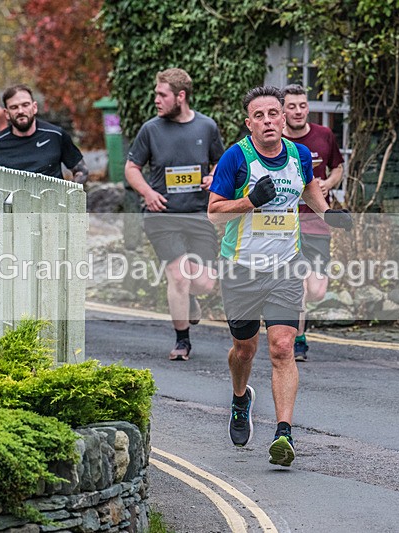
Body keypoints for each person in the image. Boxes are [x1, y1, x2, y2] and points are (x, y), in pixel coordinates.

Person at [208, 86, 352, 467]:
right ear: (249, 123)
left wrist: (329, 214)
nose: (269, 121)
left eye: (274, 113)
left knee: (282, 347)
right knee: (245, 349)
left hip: (286, 267)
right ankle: (241, 398)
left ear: (284, 117)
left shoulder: (300, 155)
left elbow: (309, 190)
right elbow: (214, 213)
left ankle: (283, 433)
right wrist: (249, 201)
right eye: (260, 116)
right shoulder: (235, 159)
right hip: (240, 269)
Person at [124, 68, 225, 361]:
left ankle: (191, 299)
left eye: (162, 94)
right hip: (162, 215)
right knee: (179, 276)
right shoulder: (150, 129)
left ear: (180, 97)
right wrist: (147, 193)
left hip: (198, 214)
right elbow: (132, 168)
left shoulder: (206, 127)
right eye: (156, 94)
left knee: (205, 282)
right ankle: (182, 340)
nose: (156, 99)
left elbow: (220, 162)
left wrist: (213, 178)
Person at [282, 84, 345, 362]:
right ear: (283, 110)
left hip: (318, 223)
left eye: (302, 105)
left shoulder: (324, 135)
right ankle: (298, 339)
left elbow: (338, 169)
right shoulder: (275, 141)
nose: (298, 111)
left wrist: (326, 184)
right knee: (300, 286)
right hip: (285, 225)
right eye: (292, 106)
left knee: (317, 290)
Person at [0, 84, 88, 182]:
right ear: (7, 113)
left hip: (51, 200)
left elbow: (81, 171)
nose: (21, 111)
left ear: (34, 107)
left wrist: (68, 196)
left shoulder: (56, 135)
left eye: (25, 105)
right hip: (10, 202)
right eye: (14, 107)